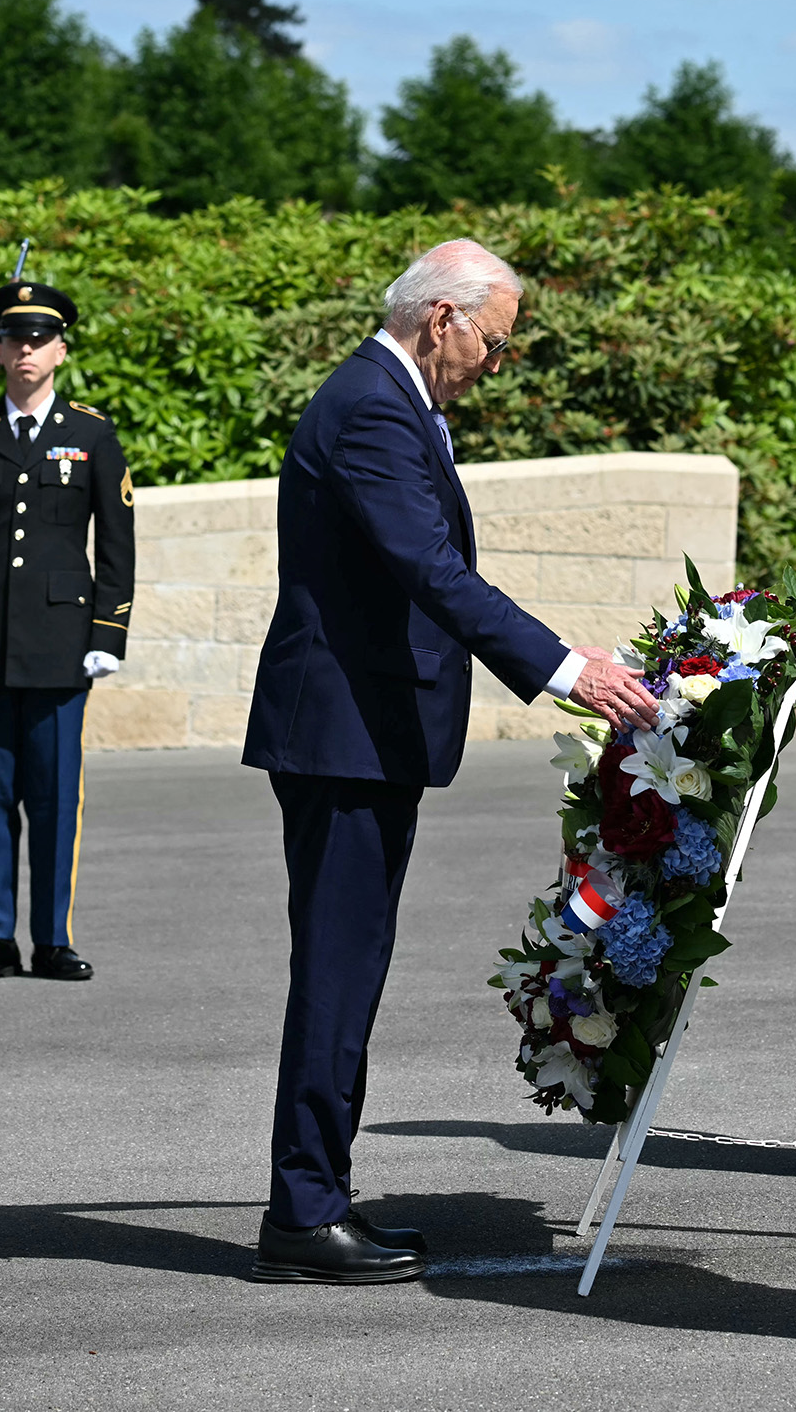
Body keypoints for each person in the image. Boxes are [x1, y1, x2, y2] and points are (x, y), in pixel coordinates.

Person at [241, 240, 660, 1284]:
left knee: (351, 966)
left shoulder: (389, 398)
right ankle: (302, 1212)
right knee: (338, 971)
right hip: (344, 734)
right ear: (444, 319)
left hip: (360, 732)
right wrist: (568, 668)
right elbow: (428, 567)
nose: (494, 363)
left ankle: (316, 1197)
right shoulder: (375, 406)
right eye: (497, 342)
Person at [0, 280, 133, 986]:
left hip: (61, 640)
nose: (26, 349)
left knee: (53, 797)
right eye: (14, 338)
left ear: (61, 350)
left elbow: (117, 543)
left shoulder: (90, 433)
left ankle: (53, 936)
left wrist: (109, 631)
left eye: (40, 339)